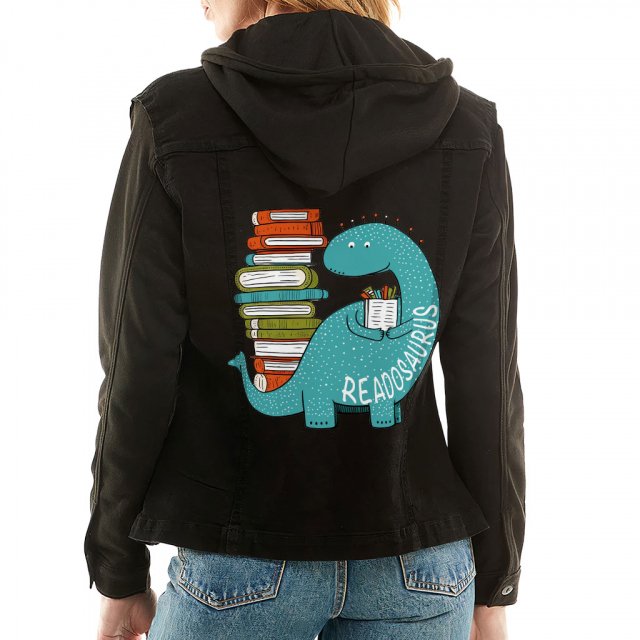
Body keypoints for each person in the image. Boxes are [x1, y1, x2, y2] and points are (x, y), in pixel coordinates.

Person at [85, 1, 526, 639]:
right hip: (423, 568)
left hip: (238, 558)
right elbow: (489, 376)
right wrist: (495, 582)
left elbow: (136, 365)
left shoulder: (176, 116)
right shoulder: (468, 125)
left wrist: (117, 567)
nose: (201, 3)